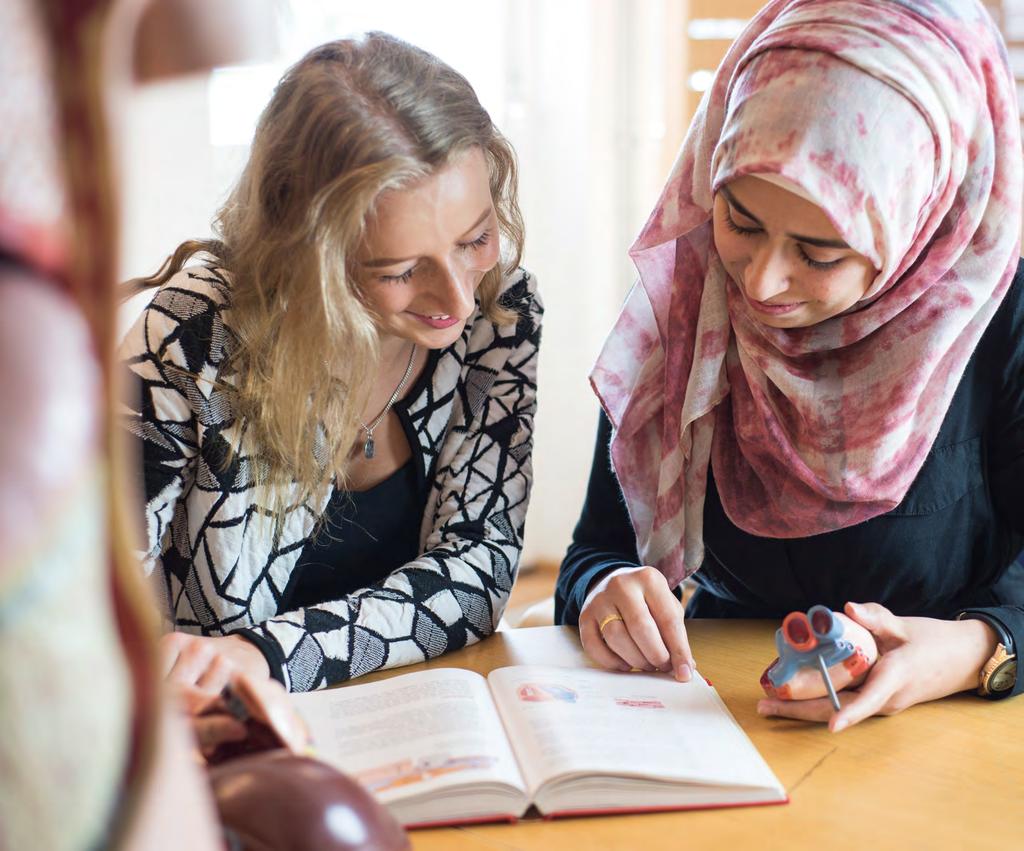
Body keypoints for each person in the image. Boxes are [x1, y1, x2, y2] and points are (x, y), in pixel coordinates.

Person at [557, 0, 1023, 732]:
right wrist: (604, 590)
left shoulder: (996, 312)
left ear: (919, 222)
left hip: (947, 730)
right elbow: (596, 550)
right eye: (740, 219)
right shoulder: (690, 292)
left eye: (819, 252)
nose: (760, 282)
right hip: (724, 719)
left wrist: (974, 646)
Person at [121, 32, 542, 695]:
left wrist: (270, 653)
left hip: (420, 709)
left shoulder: (500, 311)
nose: (458, 297)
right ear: (307, 255)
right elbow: (91, 604)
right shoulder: (190, 338)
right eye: (402, 270)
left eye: (477, 238)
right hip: (226, 733)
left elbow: (478, 574)